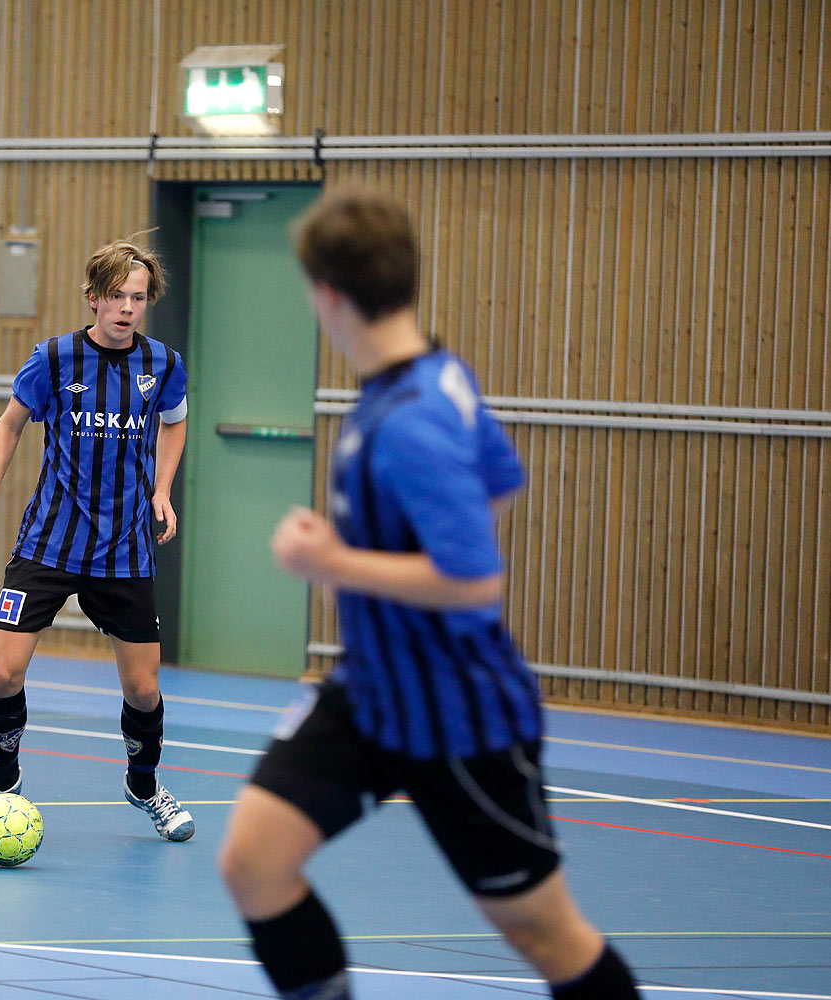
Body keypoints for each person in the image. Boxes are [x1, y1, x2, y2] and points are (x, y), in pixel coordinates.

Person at [218, 189, 641, 999]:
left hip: (458, 713)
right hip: (372, 692)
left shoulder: (410, 421)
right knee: (253, 862)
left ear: (328, 295)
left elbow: (476, 576)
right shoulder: (439, 374)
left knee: (543, 932)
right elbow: (499, 484)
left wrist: (336, 561)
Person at [0, 236, 194, 843]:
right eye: (115, 296)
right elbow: (7, 429)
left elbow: (176, 423)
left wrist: (161, 490)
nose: (126, 307)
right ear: (92, 299)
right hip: (49, 544)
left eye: (137, 297)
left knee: (143, 687)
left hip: (124, 549)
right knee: (4, 673)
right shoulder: (52, 360)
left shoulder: (163, 364)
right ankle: (2, 778)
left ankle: (143, 785)